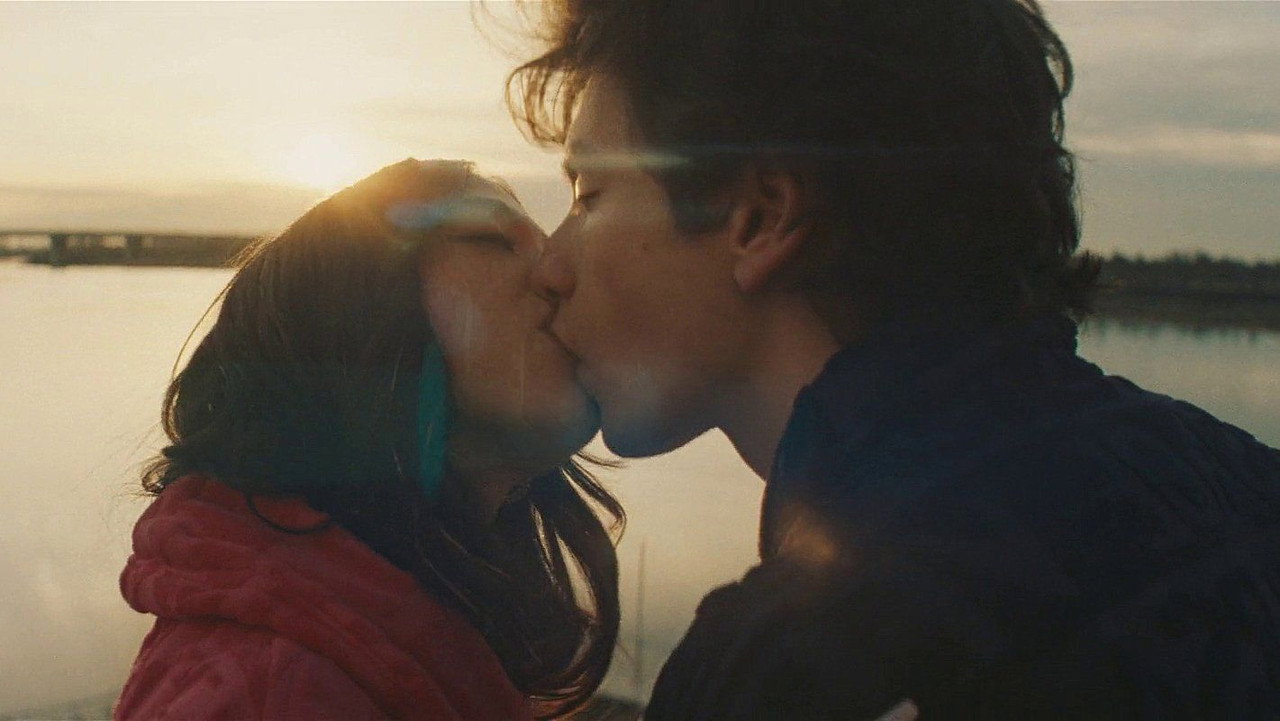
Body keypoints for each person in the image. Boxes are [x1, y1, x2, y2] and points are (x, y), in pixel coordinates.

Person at [506, 0, 1280, 717]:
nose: (550, 266)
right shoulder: (1245, 484)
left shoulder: (801, 666)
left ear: (763, 217)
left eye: (589, 194)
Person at [114, 159, 622, 720]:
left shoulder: (400, 638)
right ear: (352, 315)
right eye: (493, 239)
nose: (558, 273)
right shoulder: (277, 694)